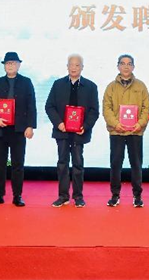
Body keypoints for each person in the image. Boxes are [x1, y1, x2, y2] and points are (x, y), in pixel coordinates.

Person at [45, 54, 100, 208]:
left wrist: (85, 126)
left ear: (82, 67)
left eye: (77, 65)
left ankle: (78, 197)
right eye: (71, 65)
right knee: (62, 163)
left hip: (79, 132)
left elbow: (94, 111)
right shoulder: (58, 84)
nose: (74, 68)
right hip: (62, 131)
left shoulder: (91, 86)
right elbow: (49, 106)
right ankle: (63, 196)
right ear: (67, 66)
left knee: (78, 164)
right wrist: (59, 123)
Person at [0, 52, 36, 207]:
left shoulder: (26, 82)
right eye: (7, 63)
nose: (10, 66)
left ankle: (17, 196)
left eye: (13, 63)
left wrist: (30, 126)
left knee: (18, 164)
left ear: (19, 65)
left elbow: (31, 105)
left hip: (18, 130)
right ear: (4, 66)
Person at [102, 54, 149, 208]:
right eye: (123, 63)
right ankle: (115, 195)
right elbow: (106, 108)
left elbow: (147, 107)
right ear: (118, 66)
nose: (126, 66)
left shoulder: (141, 86)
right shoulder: (111, 87)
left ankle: (137, 196)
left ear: (133, 67)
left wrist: (140, 124)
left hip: (135, 132)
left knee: (136, 164)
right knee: (116, 164)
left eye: (129, 64)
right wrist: (115, 124)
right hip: (116, 132)